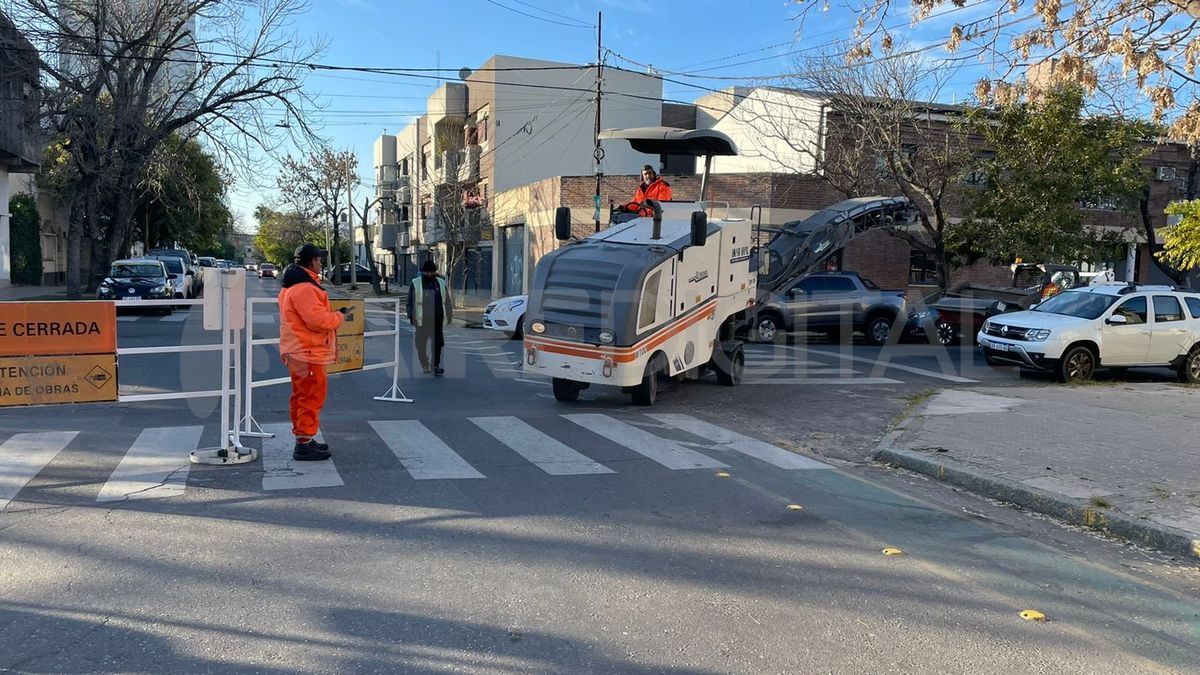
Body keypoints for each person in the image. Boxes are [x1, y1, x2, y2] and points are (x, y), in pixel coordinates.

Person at [278, 243, 352, 461]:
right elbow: (318, 321)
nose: (321, 264)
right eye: (319, 260)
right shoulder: (306, 288)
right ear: (312, 262)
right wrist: (339, 316)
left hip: (299, 350)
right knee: (311, 396)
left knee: (302, 396)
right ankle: (303, 443)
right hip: (307, 352)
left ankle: (304, 438)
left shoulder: (293, 286)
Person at [408, 259, 452, 375]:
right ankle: (425, 364)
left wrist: (449, 314)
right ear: (423, 272)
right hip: (422, 319)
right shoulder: (416, 283)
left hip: (437, 318)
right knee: (420, 344)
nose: (429, 274)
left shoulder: (440, 283)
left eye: (432, 272)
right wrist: (411, 315)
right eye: (427, 272)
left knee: (438, 343)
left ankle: (435, 365)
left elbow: (447, 300)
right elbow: (410, 302)